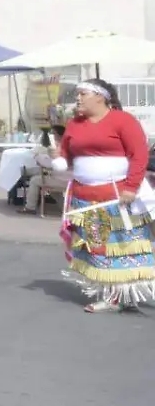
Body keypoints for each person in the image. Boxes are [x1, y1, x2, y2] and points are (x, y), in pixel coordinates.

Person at [41, 79, 154, 313]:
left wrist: (131, 187)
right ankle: (112, 294)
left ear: (100, 97)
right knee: (97, 246)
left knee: (122, 247)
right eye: (78, 94)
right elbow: (68, 157)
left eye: (83, 94)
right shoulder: (74, 124)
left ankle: (120, 296)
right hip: (85, 197)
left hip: (117, 196)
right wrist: (58, 157)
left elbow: (139, 155)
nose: (78, 99)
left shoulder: (123, 121)